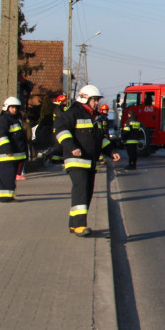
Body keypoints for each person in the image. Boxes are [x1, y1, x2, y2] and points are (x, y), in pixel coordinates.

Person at [56, 85, 119, 236]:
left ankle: (73, 222)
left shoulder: (94, 116)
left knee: (87, 191)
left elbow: (99, 139)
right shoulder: (73, 113)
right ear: (85, 98)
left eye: (97, 100)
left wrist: (111, 151)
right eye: (94, 100)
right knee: (81, 189)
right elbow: (61, 131)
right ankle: (79, 225)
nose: (97, 103)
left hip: (90, 162)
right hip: (76, 160)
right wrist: (72, 148)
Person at [0, 97, 28, 202]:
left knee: (9, 178)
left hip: (14, 155)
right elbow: (1, 136)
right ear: (7, 108)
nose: (14, 110)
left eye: (16, 108)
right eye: (12, 107)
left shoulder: (16, 120)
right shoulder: (3, 120)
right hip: (8, 155)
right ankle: (5, 198)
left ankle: (4, 196)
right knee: (7, 177)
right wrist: (7, 150)